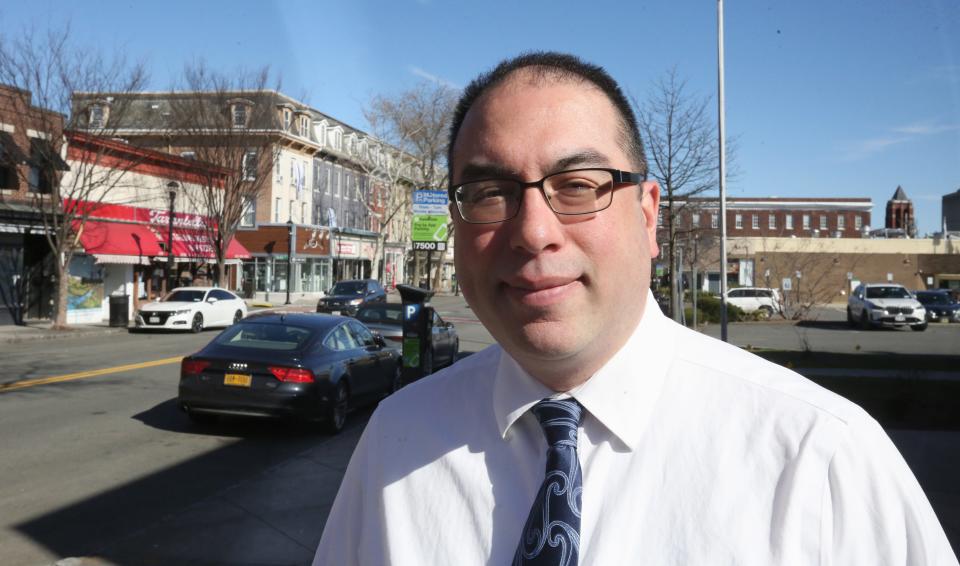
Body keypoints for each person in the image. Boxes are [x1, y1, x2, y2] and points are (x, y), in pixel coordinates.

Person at [313, 52, 957, 565]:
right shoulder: (395, 440)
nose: (533, 231)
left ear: (648, 216)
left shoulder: (819, 459)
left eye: (577, 186)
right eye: (489, 192)